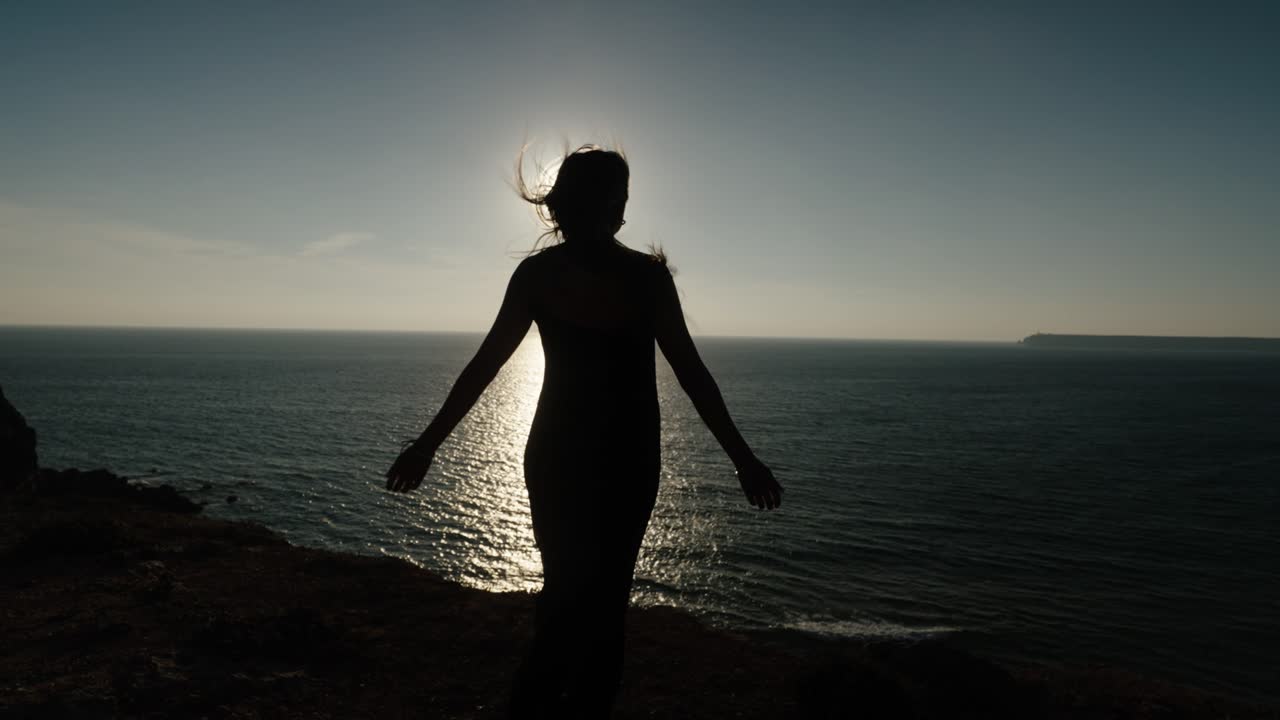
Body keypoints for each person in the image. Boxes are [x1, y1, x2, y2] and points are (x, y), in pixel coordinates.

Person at [384, 145, 782, 718]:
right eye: (617, 197)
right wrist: (743, 460)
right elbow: (692, 374)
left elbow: (486, 364)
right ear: (611, 205)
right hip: (624, 455)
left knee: (564, 595)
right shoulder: (645, 278)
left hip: (560, 453)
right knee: (605, 602)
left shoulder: (541, 275)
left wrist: (428, 445)